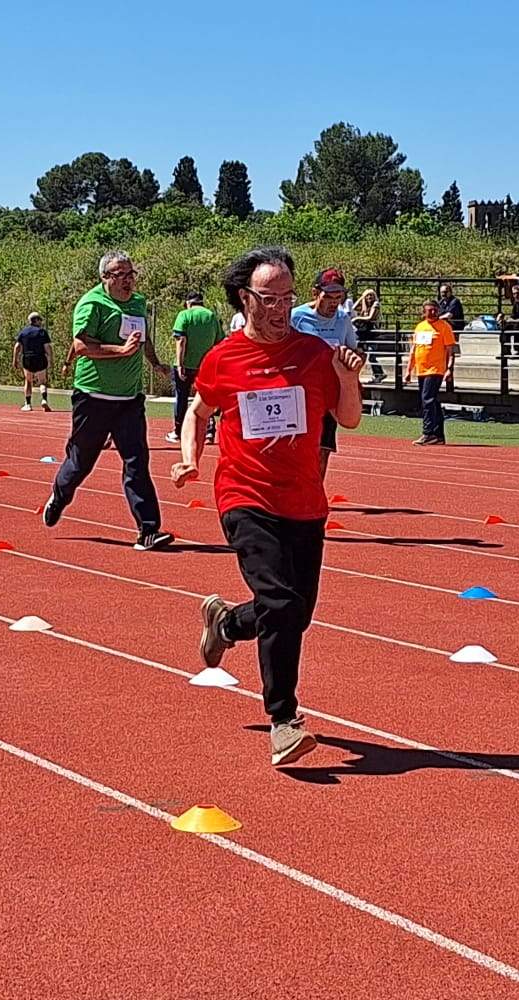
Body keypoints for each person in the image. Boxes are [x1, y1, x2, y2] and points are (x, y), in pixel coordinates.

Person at [170, 246, 363, 767]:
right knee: (280, 603)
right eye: (269, 299)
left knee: (295, 613)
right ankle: (283, 720)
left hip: (303, 499)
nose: (280, 309)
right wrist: (190, 457)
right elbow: (197, 412)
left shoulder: (313, 353)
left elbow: (347, 420)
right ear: (244, 298)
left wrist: (349, 381)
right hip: (245, 494)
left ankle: (227, 625)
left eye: (287, 298)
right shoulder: (224, 358)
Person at [43, 251, 174, 551]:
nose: (128, 280)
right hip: (93, 397)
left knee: (137, 462)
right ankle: (60, 495)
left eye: (131, 274)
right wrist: (120, 350)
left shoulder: (139, 303)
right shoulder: (92, 303)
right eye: (121, 275)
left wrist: (154, 362)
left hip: (129, 400)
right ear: (105, 278)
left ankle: (148, 530)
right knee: (80, 462)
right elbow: (81, 345)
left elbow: (143, 339)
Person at [289, 267, 358, 477]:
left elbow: (353, 350)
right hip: (299, 394)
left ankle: (314, 494)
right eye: (328, 296)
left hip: (328, 396)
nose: (333, 303)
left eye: (338, 297)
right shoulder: (296, 317)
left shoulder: (343, 319)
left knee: (323, 449)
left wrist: (353, 359)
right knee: (296, 450)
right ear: (315, 293)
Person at [169, 290, 223, 445]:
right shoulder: (211, 316)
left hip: (186, 365)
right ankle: (209, 432)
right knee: (206, 398)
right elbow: (219, 342)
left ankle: (178, 431)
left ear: (188, 303)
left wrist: (180, 364)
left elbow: (181, 340)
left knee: (181, 397)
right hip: (206, 366)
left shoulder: (184, 315)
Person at [408, 300, 457, 446]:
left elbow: (450, 351)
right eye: (429, 310)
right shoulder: (420, 327)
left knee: (427, 399)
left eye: (435, 310)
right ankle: (438, 435)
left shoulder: (444, 327)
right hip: (421, 369)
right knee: (432, 401)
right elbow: (414, 350)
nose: (433, 312)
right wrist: (408, 370)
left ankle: (428, 433)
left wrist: (449, 369)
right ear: (424, 311)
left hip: (435, 369)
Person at [13, 312, 54, 412]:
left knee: (28, 381)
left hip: (27, 359)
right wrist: (51, 359)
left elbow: (17, 346)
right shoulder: (42, 332)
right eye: (39, 319)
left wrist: (15, 360)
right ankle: (44, 400)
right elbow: (47, 347)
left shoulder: (23, 332)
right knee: (43, 381)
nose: (41, 322)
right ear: (36, 320)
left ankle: (28, 404)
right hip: (40, 358)